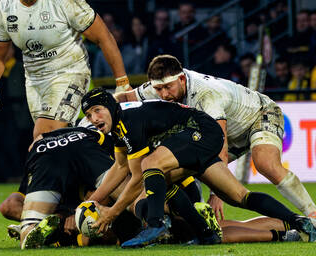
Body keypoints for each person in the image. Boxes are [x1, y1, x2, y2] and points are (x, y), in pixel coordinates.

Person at [82, 87, 316, 248]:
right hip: (193, 141)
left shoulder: (127, 121)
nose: (93, 118)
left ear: (111, 107)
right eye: (89, 115)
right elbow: (121, 166)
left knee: (150, 166)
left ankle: (155, 224)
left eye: (97, 110)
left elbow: (135, 177)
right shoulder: (116, 129)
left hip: (200, 130)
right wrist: (93, 201)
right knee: (238, 196)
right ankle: (300, 222)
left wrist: (113, 212)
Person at [116, 54, 316, 222]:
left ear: (182, 79)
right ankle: (188, 221)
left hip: (258, 115)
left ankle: (312, 215)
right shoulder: (160, 86)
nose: (164, 94)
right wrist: (95, 109)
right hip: (224, 131)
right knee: (176, 167)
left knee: (265, 163)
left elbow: (219, 143)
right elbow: (125, 98)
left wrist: (216, 194)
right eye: (159, 90)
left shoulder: (206, 95)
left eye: (168, 88)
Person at [0, 0, 131, 140]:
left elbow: (104, 37)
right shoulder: (4, 8)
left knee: (43, 136)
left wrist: (122, 82)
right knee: (60, 143)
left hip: (70, 72)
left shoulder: (64, 0)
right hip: (35, 80)